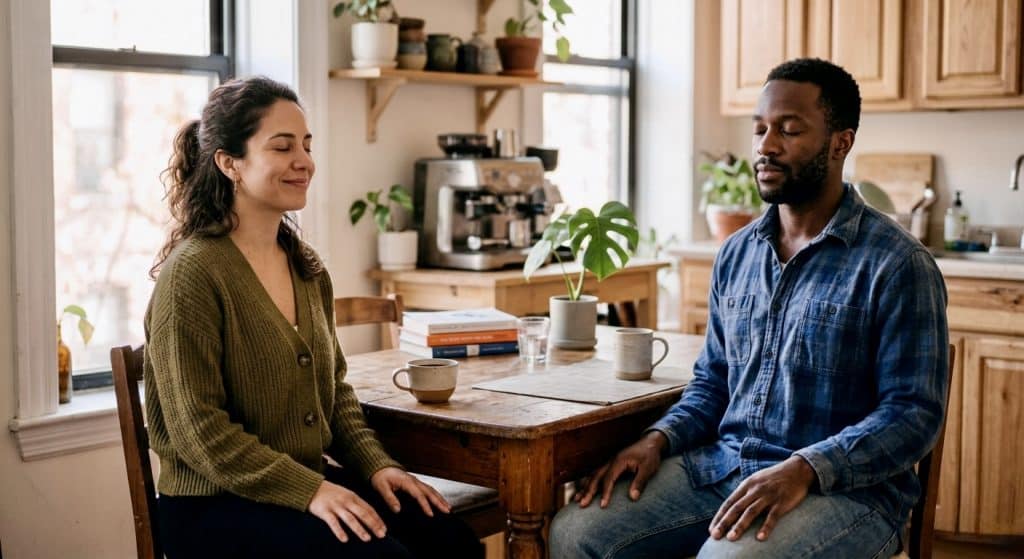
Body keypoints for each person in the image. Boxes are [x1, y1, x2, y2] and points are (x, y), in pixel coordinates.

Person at [549, 58, 950, 558]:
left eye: (789, 129)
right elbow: (713, 382)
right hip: (726, 469)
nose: (766, 145)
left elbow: (912, 415)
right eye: (760, 128)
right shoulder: (737, 253)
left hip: (848, 495)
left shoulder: (897, 264)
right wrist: (658, 438)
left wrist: (806, 467)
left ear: (840, 142)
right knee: (575, 534)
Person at [145, 76, 483, 559]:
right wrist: (312, 491)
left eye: (305, 145)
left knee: (450, 540)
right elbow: (200, 433)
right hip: (213, 507)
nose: (304, 161)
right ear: (229, 163)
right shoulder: (193, 274)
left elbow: (335, 392)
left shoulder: (305, 266)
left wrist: (375, 466)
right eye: (282, 147)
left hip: (301, 484)